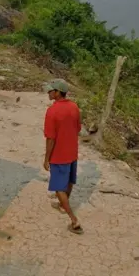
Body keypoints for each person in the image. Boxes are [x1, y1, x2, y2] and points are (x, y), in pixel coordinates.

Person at [42, 78, 83, 234]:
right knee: (70, 180)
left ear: (58, 93)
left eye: (51, 90)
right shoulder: (74, 107)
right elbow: (77, 128)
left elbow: (50, 138)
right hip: (72, 152)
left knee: (59, 187)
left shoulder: (52, 112)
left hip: (59, 155)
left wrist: (47, 159)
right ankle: (61, 205)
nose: (48, 92)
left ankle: (73, 220)